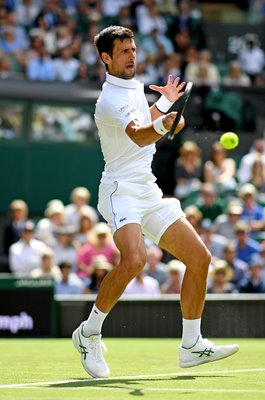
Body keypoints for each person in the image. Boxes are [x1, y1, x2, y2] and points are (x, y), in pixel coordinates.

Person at [71, 25, 238, 379]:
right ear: (106, 58)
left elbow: (144, 120)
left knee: (199, 258)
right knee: (134, 260)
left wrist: (162, 107)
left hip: (147, 189)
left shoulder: (131, 88)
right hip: (119, 190)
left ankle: (191, 345)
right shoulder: (110, 99)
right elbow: (138, 134)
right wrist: (164, 124)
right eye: (124, 51)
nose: (132, 56)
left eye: (133, 49)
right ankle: (88, 333)